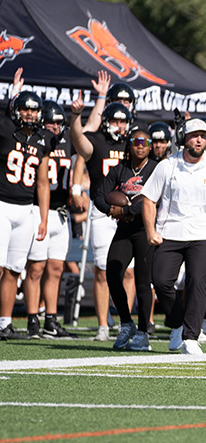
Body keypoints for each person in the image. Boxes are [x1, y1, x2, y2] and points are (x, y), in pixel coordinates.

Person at [142, 118, 206, 354]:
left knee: (198, 282)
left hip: (203, 236)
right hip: (169, 234)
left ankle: (191, 337)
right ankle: (177, 323)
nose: (199, 140)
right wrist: (150, 231)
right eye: (194, 135)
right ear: (182, 138)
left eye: (203, 136)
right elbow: (149, 199)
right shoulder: (167, 165)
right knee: (161, 281)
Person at [69, 80, 134, 341]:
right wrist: (75, 116)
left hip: (128, 212)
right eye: (115, 121)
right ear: (106, 120)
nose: (120, 126)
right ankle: (103, 326)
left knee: (128, 270)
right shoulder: (96, 140)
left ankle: (126, 323)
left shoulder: (134, 144)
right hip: (102, 211)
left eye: (123, 121)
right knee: (103, 270)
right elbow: (78, 142)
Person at [94, 127, 158, 351]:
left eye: (145, 141)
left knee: (143, 282)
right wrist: (113, 209)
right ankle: (126, 323)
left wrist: (129, 211)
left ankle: (142, 333)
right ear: (129, 144)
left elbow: (156, 200)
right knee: (112, 272)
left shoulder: (156, 169)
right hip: (124, 229)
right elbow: (99, 196)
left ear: (150, 146)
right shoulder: (120, 169)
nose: (140, 145)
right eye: (136, 141)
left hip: (144, 229)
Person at [23, 100, 76, 339]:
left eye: (58, 122)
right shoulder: (34, 141)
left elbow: (88, 135)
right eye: (50, 122)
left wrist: (80, 112)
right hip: (38, 210)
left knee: (56, 269)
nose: (55, 126)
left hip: (62, 213)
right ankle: (33, 319)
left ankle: (50, 321)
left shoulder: (67, 140)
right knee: (36, 267)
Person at [0, 89, 50, 340]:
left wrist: (43, 217)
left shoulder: (42, 139)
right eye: (25, 109)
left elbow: (42, 183)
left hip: (25, 209)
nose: (29, 114)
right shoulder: (5, 128)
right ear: (15, 109)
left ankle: (4, 324)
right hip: (1, 205)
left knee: (13, 269)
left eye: (33, 110)